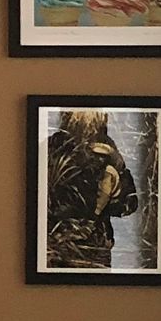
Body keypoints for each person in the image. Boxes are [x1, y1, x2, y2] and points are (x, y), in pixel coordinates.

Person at [43, 107, 139, 270]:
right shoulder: (53, 147)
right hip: (57, 247)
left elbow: (128, 203)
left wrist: (117, 189)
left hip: (95, 248)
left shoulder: (108, 150)